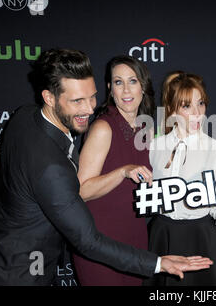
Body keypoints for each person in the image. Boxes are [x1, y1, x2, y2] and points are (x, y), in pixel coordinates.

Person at [0, 48, 213, 285]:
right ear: (49, 98)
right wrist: (159, 263)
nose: (90, 108)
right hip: (19, 269)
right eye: (78, 101)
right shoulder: (70, 152)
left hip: (130, 234)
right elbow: (86, 231)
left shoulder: (25, 115)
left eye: (92, 97)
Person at [144, 71, 216, 286]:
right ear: (172, 108)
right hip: (163, 237)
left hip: (203, 239)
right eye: (187, 106)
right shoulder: (154, 147)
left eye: (201, 103)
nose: (197, 113)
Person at [72, 55, 155, 286]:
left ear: (143, 86)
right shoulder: (103, 127)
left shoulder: (144, 128)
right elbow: (81, 191)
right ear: (110, 89)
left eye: (133, 81)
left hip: (134, 239)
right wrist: (122, 172)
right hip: (101, 243)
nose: (126, 89)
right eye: (118, 82)